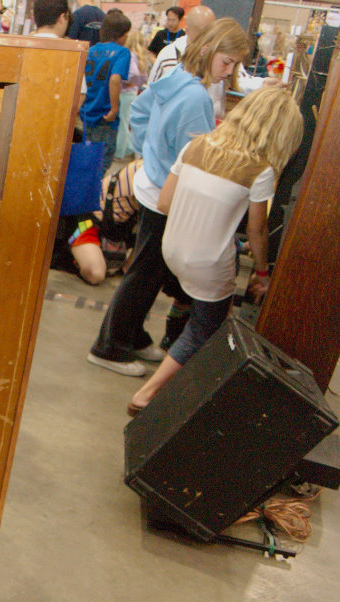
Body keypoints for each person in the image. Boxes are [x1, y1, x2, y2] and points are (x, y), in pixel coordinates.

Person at [87, 18, 251, 376]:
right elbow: (199, 160)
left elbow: (141, 112)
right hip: (166, 196)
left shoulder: (177, 78)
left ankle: (131, 336)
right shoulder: (195, 96)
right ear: (208, 50)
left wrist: (152, 153)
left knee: (149, 273)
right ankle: (110, 346)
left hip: (155, 186)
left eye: (234, 64)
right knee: (145, 275)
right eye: (227, 62)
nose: (229, 71)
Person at [127, 87, 303, 414]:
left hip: (173, 249)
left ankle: (179, 358)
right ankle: (146, 394)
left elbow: (164, 203)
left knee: (202, 305)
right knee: (204, 328)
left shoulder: (196, 145)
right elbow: (257, 231)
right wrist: (262, 273)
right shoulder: (260, 170)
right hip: (207, 262)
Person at [80, 11, 131, 174]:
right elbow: (115, 79)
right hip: (105, 114)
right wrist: (114, 108)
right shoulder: (122, 52)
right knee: (103, 161)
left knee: (86, 158)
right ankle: (95, 188)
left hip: (86, 111)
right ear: (121, 34)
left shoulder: (90, 50)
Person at [114, 28, 152, 160]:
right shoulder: (141, 57)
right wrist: (135, 83)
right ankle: (129, 147)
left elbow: (132, 73)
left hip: (124, 93)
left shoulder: (129, 55)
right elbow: (143, 77)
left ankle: (119, 152)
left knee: (122, 123)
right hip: (133, 92)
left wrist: (125, 81)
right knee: (126, 121)